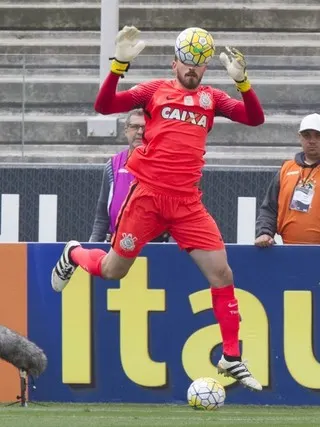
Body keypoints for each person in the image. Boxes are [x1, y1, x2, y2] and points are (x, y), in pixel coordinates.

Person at [52, 26, 265, 390]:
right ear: (175, 64)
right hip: (148, 197)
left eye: (198, 66)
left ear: (205, 69)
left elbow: (254, 119)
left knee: (222, 274)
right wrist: (119, 64)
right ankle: (74, 253)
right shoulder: (154, 91)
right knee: (112, 270)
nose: (192, 71)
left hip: (187, 203)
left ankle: (231, 355)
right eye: (186, 64)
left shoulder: (211, 99)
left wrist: (243, 83)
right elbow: (104, 106)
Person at [90, 108, 169, 243]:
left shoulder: (166, 166)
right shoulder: (113, 165)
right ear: (126, 130)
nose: (139, 132)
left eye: (145, 127)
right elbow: (102, 217)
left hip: (154, 246)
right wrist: (92, 245)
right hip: (116, 246)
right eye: (134, 127)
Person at [255, 113, 320, 246]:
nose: (312, 140)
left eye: (318, 135)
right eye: (307, 135)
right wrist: (265, 232)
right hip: (288, 250)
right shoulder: (286, 169)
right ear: (299, 137)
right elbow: (269, 208)